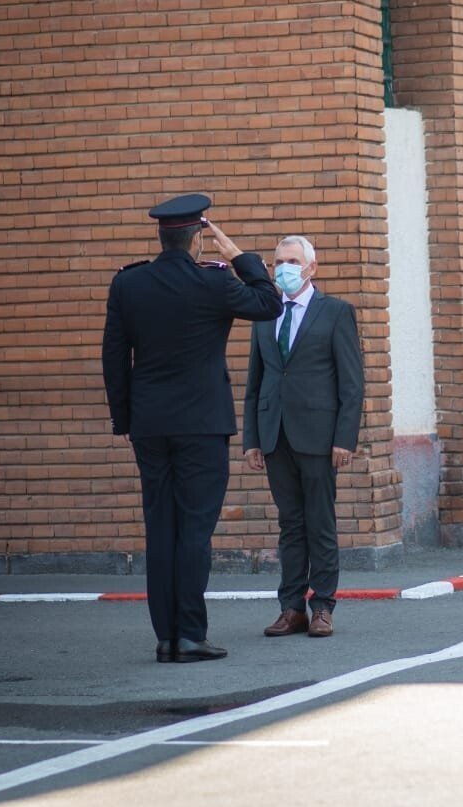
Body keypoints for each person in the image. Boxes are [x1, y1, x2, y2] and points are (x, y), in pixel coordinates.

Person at [102, 193, 283, 663]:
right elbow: (269, 303)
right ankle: (190, 635)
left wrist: (124, 420)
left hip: (150, 425)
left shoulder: (128, 284)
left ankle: (166, 638)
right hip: (202, 426)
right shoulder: (215, 282)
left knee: (161, 528)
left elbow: (114, 357)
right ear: (197, 239)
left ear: (162, 237)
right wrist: (239, 255)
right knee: (195, 530)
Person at [243, 235, 364, 640]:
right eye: (279, 262)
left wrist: (344, 438)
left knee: (319, 522)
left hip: (319, 436)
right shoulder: (265, 314)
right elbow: (256, 382)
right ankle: (291, 607)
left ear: (312, 268)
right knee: (290, 524)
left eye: (293, 261)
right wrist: (252, 438)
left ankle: (323, 606)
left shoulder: (336, 313)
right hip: (275, 434)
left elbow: (351, 383)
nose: (285, 269)